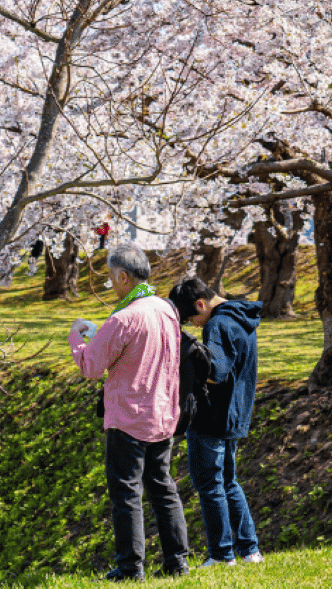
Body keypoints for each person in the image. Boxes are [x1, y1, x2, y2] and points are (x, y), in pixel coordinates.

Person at [68, 243, 189, 581]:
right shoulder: (166, 309)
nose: (109, 282)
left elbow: (91, 366)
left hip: (129, 415)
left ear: (123, 276)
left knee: (127, 493)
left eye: (110, 276)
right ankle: (177, 561)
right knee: (163, 487)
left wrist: (76, 336)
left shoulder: (123, 317)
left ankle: (130, 567)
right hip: (163, 412)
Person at [167, 278, 264, 567]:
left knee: (210, 485)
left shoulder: (217, 325)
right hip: (235, 414)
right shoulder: (241, 316)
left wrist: (186, 352)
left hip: (211, 416)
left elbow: (215, 372)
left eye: (191, 318)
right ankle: (249, 550)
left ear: (201, 304)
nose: (194, 324)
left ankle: (222, 555)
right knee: (229, 482)